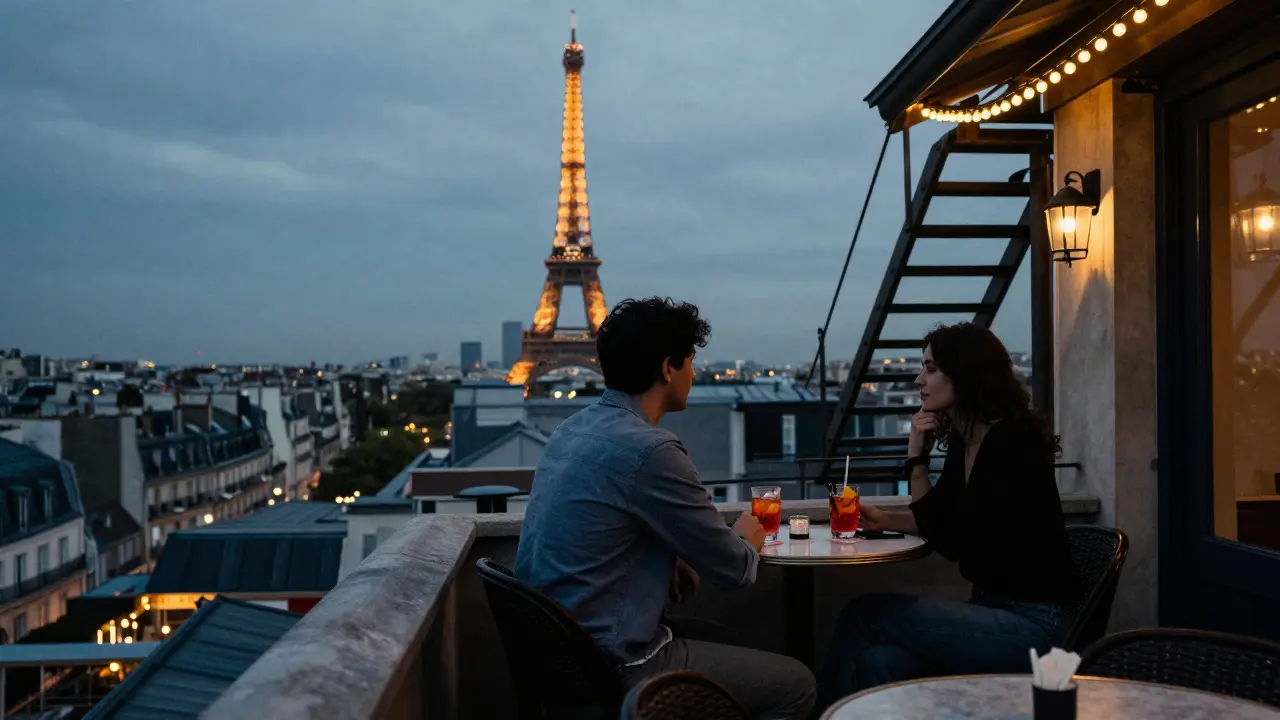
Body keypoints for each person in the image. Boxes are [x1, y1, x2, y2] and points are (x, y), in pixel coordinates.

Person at [516, 297, 816, 719]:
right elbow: (736, 570)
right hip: (617, 663)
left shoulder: (572, 429)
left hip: (561, 657)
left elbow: (600, 526)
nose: (693, 374)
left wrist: (667, 556)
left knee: (723, 637)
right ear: (667, 368)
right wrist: (750, 530)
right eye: (690, 361)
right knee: (797, 684)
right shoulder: (652, 450)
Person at [815, 322, 1078, 708]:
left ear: (966, 373)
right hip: (992, 610)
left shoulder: (1009, 442)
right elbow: (945, 518)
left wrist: (916, 458)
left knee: (864, 614)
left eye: (931, 368)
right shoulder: (967, 438)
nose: (919, 379)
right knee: (879, 662)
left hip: (1035, 625)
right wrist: (888, 521)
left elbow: (951, 539)